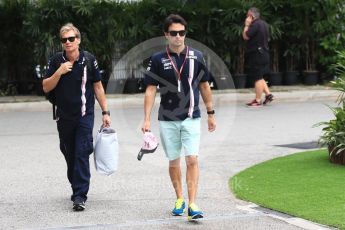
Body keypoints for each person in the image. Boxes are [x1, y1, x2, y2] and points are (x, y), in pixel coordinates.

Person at [142, 14, 216, 220]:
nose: (178, 37)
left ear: (185, 33)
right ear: (166, 35)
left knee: (192, 159)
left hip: (192, 117)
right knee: (174, 162)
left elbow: (204, 86)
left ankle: (193, 204)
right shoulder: (157, 59)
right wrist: (146, 118)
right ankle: (180, 198)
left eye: (181, 33)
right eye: (173, 33)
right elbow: (150, 90)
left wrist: (211, 113)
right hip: (167, 119)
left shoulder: (197, 56)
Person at [42, 23, 111, 211]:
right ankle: (76, 186)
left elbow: (97, 86)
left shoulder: (89, 60)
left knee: (81, 153)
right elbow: (46, 87)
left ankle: (79, 195)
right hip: (64, 117)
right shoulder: (56, 61)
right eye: (64, 40)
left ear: (78, 40)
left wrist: (105, 111)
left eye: (71, 39)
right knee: (70, 154)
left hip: (84, 116)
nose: (68, 42)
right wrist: (60, 71)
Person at [242, 7, 274, 107]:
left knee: (257, 78)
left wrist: (246, 25)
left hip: (257, 54)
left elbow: (245, 36)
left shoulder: (255, 25)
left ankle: (257, 100)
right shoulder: (264, 24)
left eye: (247, 15)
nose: (246, 17)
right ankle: (268, 95)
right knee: (259, 76)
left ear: (251, 16)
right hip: (264, 53)